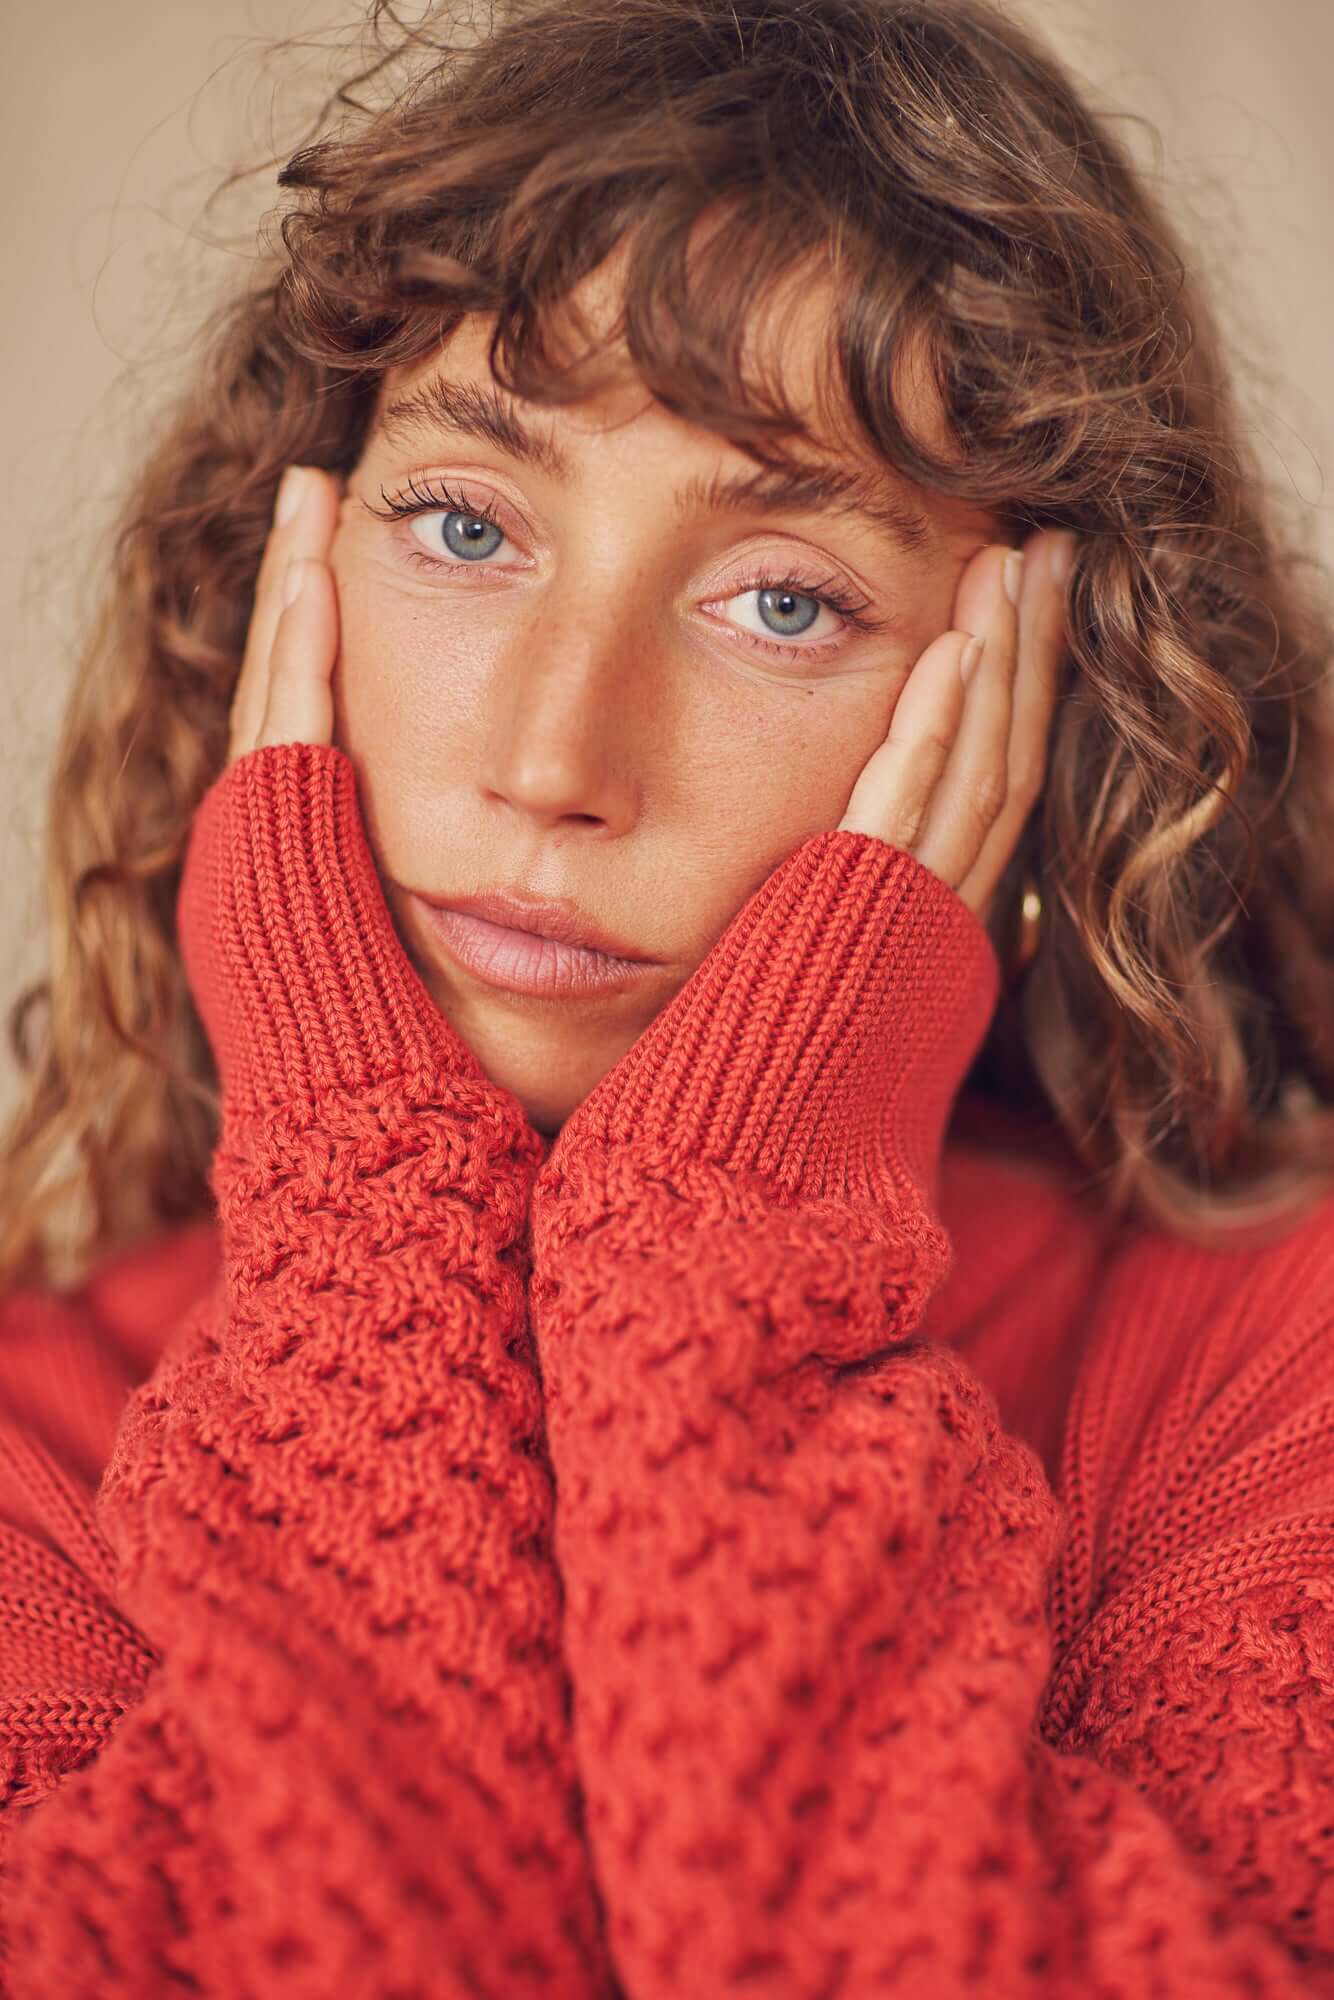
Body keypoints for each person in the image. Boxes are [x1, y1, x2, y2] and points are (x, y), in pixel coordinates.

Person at [1, 0, 1333, 1990]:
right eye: (466, 527)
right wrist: (369, 1207)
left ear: (1063, 699)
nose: (555, 754)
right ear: (290, 577)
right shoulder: (37, 1443)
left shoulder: (1262, 1374)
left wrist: (731, 1252)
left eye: (782, 599)